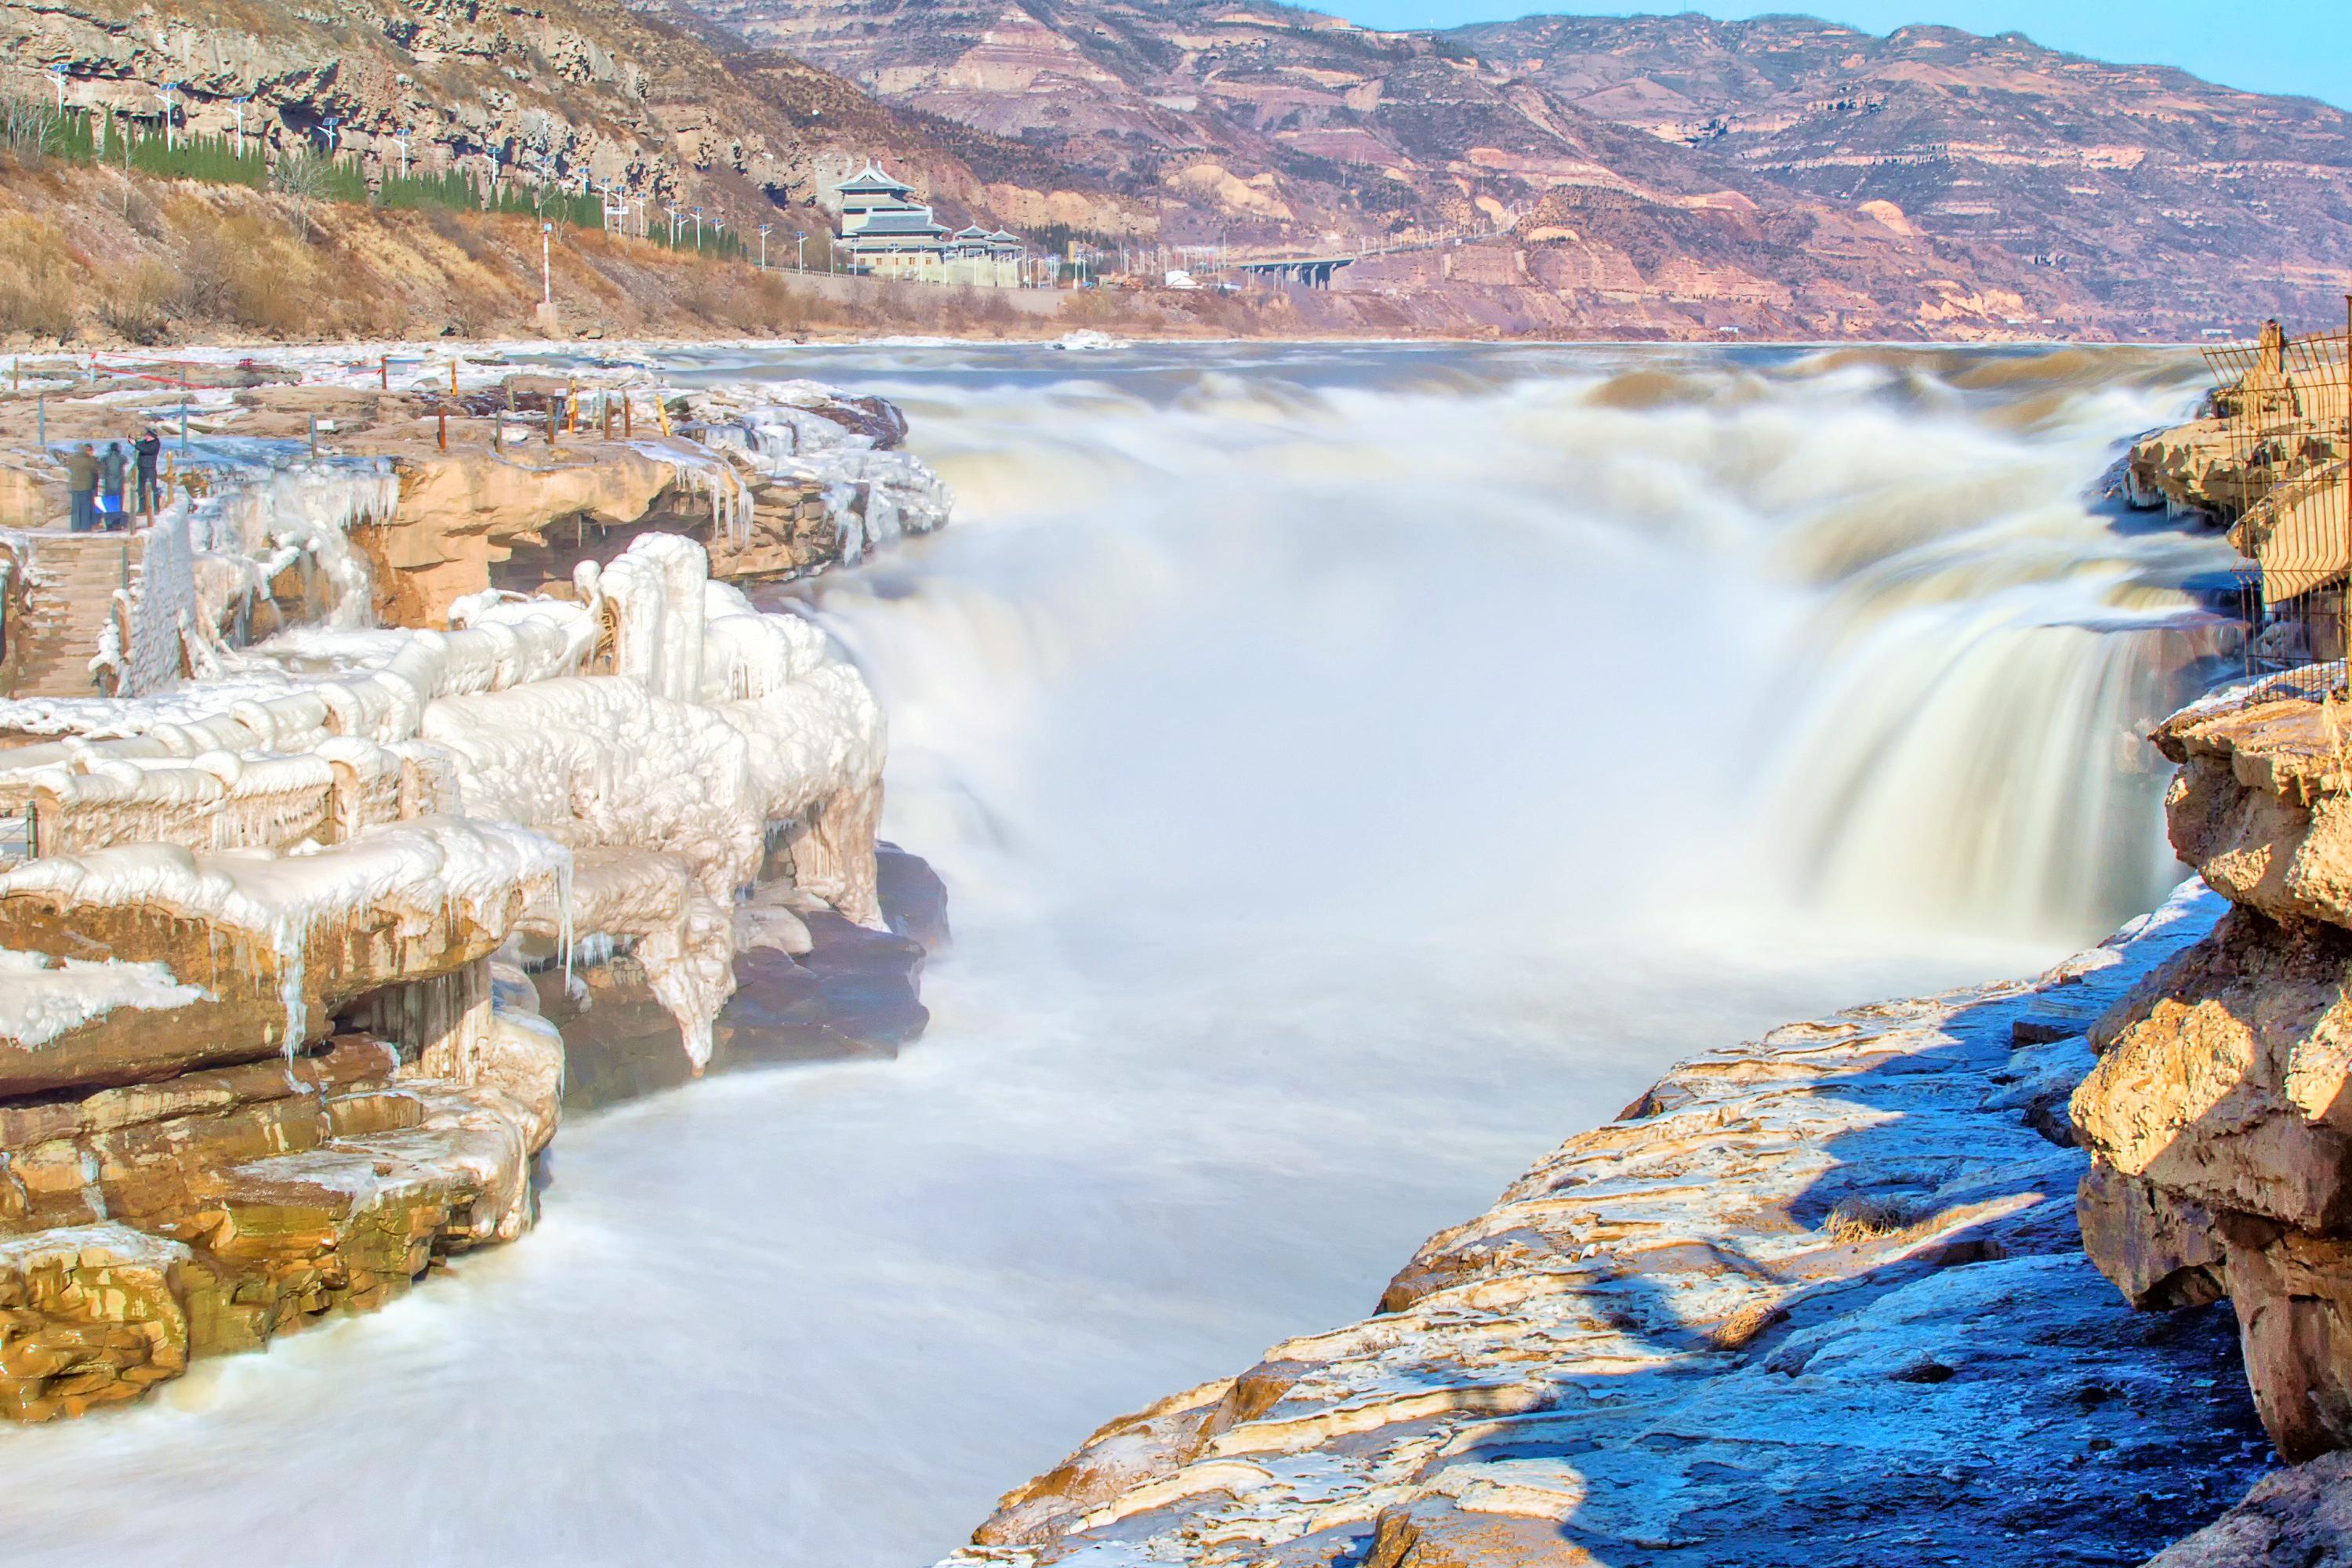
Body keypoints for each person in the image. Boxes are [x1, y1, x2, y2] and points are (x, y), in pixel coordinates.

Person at [64, 443, 98, 533]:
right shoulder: (90, 460)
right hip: (86, 487)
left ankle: (75, 527)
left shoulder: (73, 459)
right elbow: (95, 469)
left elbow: (70, 468)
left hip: (75, 486)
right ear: (87, 451)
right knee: (85, 507)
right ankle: (85, 527)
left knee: (75, 508)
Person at [97, 441, 129, 529]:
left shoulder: (105, 458)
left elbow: (100, 463)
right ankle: (117, 523)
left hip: (108, 483)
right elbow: (126, 461)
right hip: (118, 483)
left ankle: (108, 523)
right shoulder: (122, 458)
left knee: (108, 503)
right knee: (118, 503)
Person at [133, 428, 161, 517]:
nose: (146, 436)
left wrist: (136, 445)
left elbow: (147, 450)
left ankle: (155, 507)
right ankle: (142, 508)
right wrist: (133, 442)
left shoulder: (155, 444)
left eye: (147, 435)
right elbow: (139, 445)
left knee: (152, 488)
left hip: (149, 468)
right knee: (141, 489)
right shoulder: (144, 443)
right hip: (142, 468)